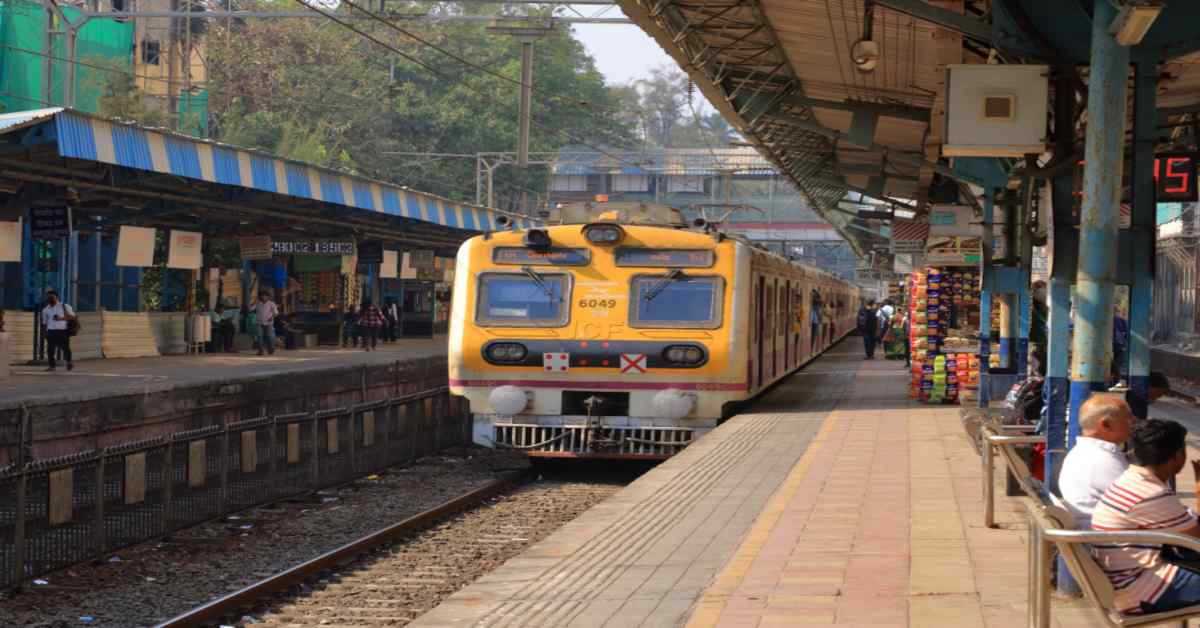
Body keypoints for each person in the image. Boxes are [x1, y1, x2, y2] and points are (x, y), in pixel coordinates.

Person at [1090, 419, 1200, 615]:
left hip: (1130, 580)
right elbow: (1194, 538)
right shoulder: (1151, 492)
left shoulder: (1131, 480)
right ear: (1177, 456)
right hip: (1143, 590)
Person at [1055, 396, 1134, 528]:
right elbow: (1144, 506)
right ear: (1106, 424)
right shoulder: (1103, 460)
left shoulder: (1084, 452)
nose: (1133, 422)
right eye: (1128, 417)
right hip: (1112, 541)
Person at [41, 290, 75, 372]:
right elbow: (44, 323)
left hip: (62, 331)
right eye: (48, 297)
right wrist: (44, 333)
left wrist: (61, 318)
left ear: (57, 297)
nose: (50, 298)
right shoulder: (45, 309)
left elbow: (72, 317)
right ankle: (52, 366)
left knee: (66, 348)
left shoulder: (64, 306)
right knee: (50, 350)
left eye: (51, 296)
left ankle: (69, 362)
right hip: (51, 331)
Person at [253, 291, 278, 356]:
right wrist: (254, 302)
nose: (263, 297)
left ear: (268, 297)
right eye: (262, 296)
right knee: (259, 336)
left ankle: (271, 349)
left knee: (270, 337)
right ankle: (261, 351)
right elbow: (250, 309)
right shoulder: (258, 303)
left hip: (269, 323)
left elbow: (276, 313)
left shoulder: (271, 304)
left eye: (265, 296)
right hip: (259, 322)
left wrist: (272, 317)